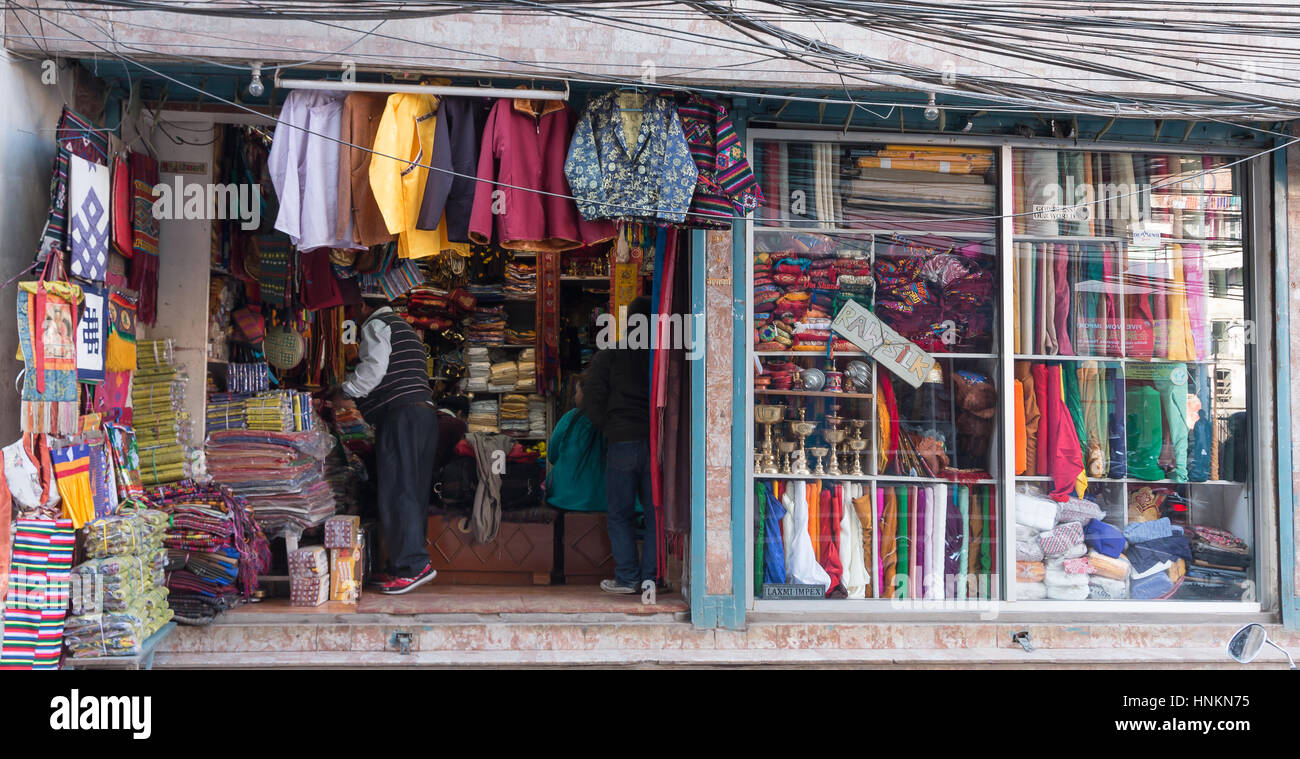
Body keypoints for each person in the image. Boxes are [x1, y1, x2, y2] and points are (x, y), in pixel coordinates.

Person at [332, 298, 438, 595]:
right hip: (422, 414)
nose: (352, 312)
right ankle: (404, 565)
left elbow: (374, 369)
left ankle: (413, 566)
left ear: (363, 305)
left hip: (402, 414)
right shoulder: (404, 328)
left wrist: (346, 390)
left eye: (353, 307)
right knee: (411, 491)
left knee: (398, 491)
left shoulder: (377, 325)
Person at [581, 295, 656, 594]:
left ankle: (627, 578)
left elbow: (591, 399)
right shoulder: (661, 357)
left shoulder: (610, 355)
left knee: (620, 513)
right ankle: (652, 577)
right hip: (653, 443)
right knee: (654, 513)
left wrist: (609, 427)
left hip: (621, 442)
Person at [545, 375, 608, 513]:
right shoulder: (609, 420)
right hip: (606, 500)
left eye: (577, 391)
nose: (574, 396)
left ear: (585, 394)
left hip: (565, 499)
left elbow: (552, 455)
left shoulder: (571, 417)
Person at [435, 394, 470, 471]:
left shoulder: (428, 417)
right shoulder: (457, 424)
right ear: (459, 413)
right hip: (435, 472)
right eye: (465, 419)